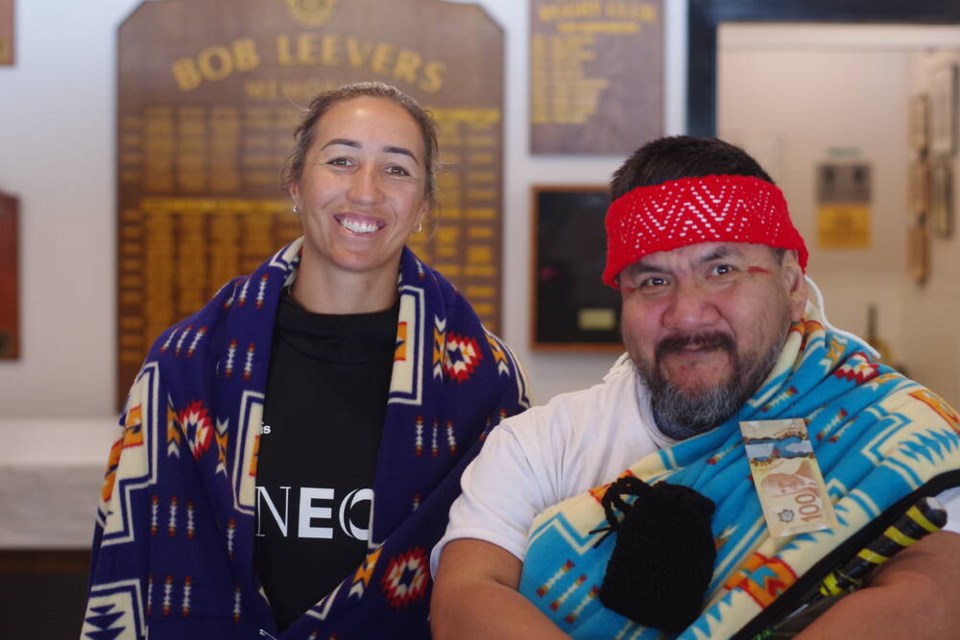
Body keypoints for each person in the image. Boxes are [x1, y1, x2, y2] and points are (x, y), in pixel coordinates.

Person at [430, 136, 960, 639]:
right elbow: (464, 600)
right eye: (652, 281)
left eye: (722, 269)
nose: (686, 314)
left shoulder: (883, 429)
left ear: (792, 284)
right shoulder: (540, 446)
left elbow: (937, 594)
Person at [82, 81, 530, 640]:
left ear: (423, 204)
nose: (365, 192)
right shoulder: (186, 366)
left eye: (397, 169)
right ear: (295, 184)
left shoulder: (484, 377)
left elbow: (508, 582)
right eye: (341, 160)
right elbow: (131, 566)